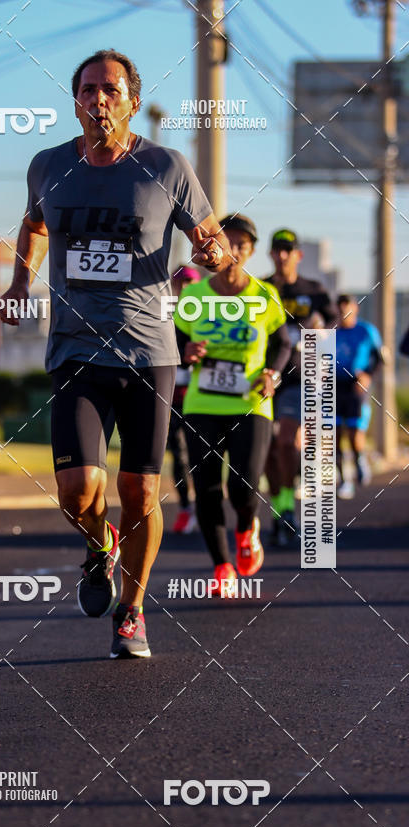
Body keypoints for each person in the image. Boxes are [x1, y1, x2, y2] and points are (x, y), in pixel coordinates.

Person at [0, 49, 231, 658]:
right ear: (74, 99)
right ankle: (97, 544)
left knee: (140, 494)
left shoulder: (166, 167)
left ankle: (132, 611)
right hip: (76, 351)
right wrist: (21, 281)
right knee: (76, 492)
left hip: (149, 352)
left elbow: (215, 242)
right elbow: (35, 226)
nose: (98, 100)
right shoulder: (47, 166)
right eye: (87, 90)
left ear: (131, 100)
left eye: (110, 90)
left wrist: (213, 255)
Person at [174, 214, 291, 596]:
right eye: (228, 241)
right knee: (207, 487)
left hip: (251, 404)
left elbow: (283, 343)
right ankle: (222, 566)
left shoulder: (264, 296)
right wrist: (185, 351)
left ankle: (246, 526)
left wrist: (272, 373)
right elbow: (174, 342)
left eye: (243, 244)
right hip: (202, 402)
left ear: (252, 251)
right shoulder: (193, 296)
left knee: (243, 487)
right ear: (215, 247)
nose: (235, 249)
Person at [262, 229, 337, 546]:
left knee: (287, 443)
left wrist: (320, 324)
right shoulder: (261, 288)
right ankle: (281, 508)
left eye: (288, 250)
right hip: (263, 376)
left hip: (299, 377)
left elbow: (335, 321)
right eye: (277, 250)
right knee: (265, 449)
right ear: (270, 254)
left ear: (298, 255)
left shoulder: (314, 290)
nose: (282, 256)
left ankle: (289, 507)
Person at [335, 294, 383, 499]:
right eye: (340, 309)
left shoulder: (366, 331)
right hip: (335, 386)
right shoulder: (331, 332)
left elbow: (380, 358)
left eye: (348, 309)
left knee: (355, 434)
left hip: (357, 386)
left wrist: (367, 376)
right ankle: (344, 480)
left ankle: (359, 458)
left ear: (355, 309)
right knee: (334, 436)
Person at [168, 265, 200, 534]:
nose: (185, 289)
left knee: (200, 455)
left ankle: (203, 506)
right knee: (177, 456)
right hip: (170, 398)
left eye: (190, 284)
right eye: (180, 284)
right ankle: (185, 507)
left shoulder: (207, 315)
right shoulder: (162, 315)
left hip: (200, 398)